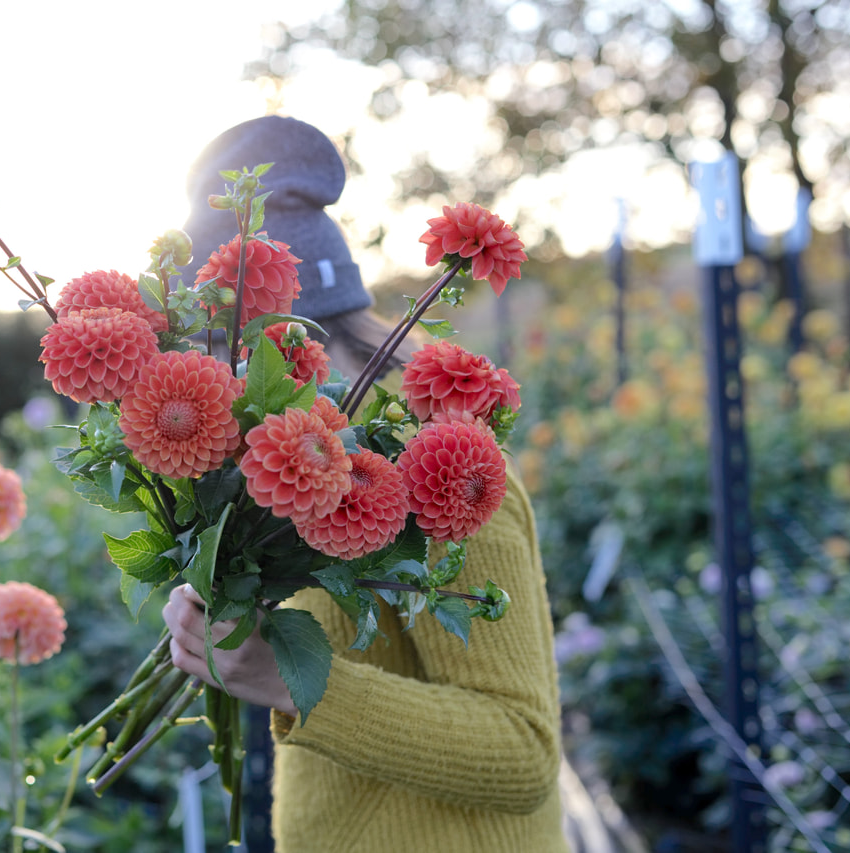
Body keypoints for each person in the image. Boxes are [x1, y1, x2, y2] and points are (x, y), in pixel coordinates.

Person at [162, 115, 567, 851]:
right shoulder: (282, 469)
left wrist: (289, 677)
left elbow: (524, 750)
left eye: (215, 347)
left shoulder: (448, 477)